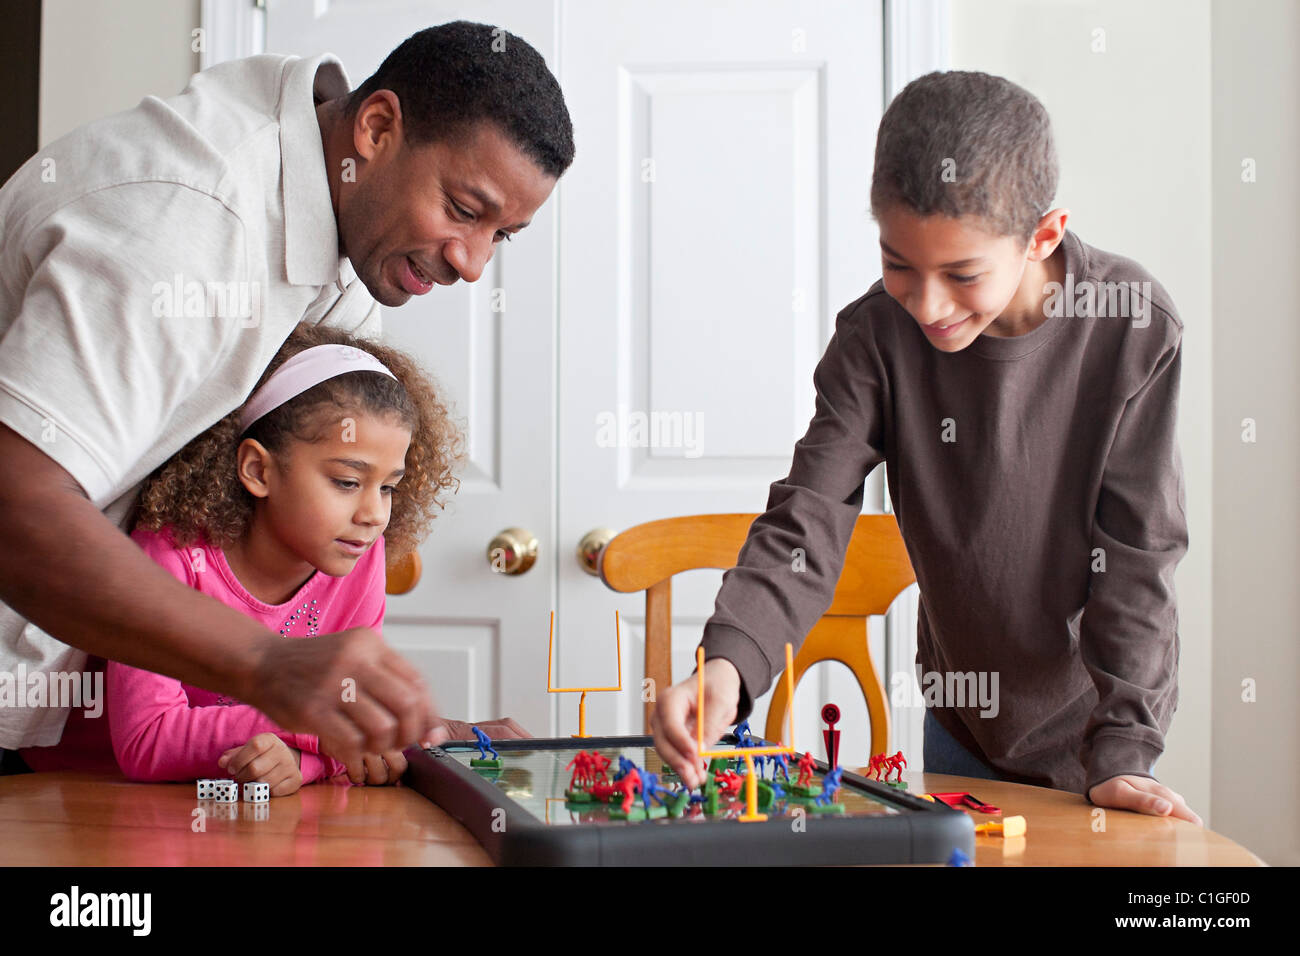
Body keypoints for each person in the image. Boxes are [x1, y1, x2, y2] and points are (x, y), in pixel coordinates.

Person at [0, 21, 573, 774]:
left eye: (503, 234)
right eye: (465, 209)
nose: (473, 265)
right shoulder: (191, 231)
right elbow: (16, 504)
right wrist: (266, 666)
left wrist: (412, 733)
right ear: (376, 128)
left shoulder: (342, 225)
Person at [651, 70, 1202, 826]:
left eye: (963, 273)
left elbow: (1138, 557)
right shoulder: (875, 337)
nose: (928, 306)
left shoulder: (1132, 326)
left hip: (1095, 738)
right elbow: (809, 515)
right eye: (898, 263)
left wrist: (1124, 748)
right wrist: (729, 665)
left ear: (1043, 233)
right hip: (961, 721)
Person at [20, 322, 510, 790]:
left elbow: (350, 728)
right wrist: (317, 729)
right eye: (346, 481)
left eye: (387, 488)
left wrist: (305, 762)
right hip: (81, 795)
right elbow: (147, 741)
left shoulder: (361, 560)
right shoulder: (175, 552)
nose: (372, 514)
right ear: (258, 470)